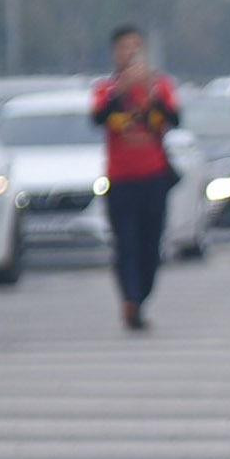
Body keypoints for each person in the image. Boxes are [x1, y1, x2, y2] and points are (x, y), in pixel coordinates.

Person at [92, 25, 180, 332]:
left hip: (153, 177)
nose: (130, 54)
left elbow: (174, 119)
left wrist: (150, 93)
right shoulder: (106, 88)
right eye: (124, 48)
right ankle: (130, 300)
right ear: (115, 53)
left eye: (135, 47)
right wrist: (122, 90)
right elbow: (98, 117)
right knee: (125, 244)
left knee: (150, 245)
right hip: (120, 180)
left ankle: (140, 297)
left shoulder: (160, 86)